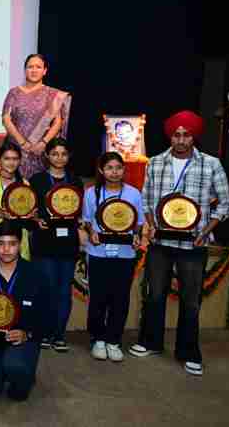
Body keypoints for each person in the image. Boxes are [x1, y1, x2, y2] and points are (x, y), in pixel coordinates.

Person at [129, 111, 229, 376]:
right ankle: (151, 342)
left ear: (193, 136)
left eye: (187, 135)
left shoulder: (211, 164)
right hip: (160, 242)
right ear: (170, 136)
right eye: (177, 134)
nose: (182, 139)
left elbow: (225, 203)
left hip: (193, 244)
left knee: (191, 300)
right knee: (155, 294)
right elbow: (147, 200)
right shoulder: (156, 162)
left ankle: (189, 352)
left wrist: (206, 231)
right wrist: (150, 225)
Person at [0, 220, 47, 402]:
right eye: (1, 244)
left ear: (20, 244)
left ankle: (21, 371)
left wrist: (27, 334)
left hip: (20, 338)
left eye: (12, 244)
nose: (6, 249)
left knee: (17, 387)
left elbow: (46, 313)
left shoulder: (35, 273)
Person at [82, 152, 146, 362]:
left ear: (123, 170)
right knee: (98, 297)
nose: (114, 172)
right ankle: (98, 339)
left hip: (125, 253)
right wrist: (91, 231)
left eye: (118, 167)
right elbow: (87, 220)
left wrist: (136, 235)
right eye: (109, 167)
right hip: (98, 251)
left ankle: (114, 340)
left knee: (120, 298)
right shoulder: (91, 193)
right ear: (101, 170)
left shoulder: (134, 193)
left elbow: (137, 222)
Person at [28, 137, 84, 352]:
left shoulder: (75, 181)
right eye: (55, 154)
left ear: (68, 157)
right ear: (47, 156)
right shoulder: (37, 180)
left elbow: (78, 212)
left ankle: (59, 335)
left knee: (63, 291)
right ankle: (43, 333)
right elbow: (30, 209)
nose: (59, 158)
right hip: (44, 242)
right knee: (46, 289)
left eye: (63, 154)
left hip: (68, 242)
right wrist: (35, 219)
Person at [2, 54, 71, 178]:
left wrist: (43, 143)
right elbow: (6, 119)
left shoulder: (53, 94)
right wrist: (22, 143)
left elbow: (57, 122)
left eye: (38, 67)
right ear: (25, 70)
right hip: (17, 149)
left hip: (40, 150)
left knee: (40, 188)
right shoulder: (14, 92)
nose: (34, 70)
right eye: (30, 67)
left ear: (44, 71)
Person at [0, 141, 32, 261]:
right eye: (7, 158)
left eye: (15, 159)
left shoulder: (25, 184)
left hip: (19, 238)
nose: (11, 162)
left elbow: (29, 215)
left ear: (20, 161)